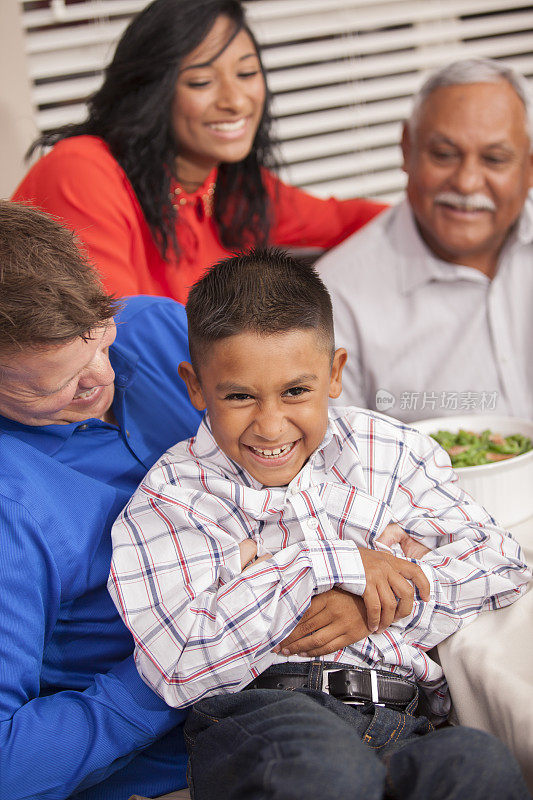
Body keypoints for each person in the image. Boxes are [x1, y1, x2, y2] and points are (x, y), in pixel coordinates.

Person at [109, 248, 531, 800]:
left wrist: (366, 604)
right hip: (261, 715)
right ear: (196, 386)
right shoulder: (175, 498)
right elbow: (182, 660)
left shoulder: (391, 451)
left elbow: (502, 563)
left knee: (476, 763)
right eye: (238, 396)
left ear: (334, 373)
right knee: (331, 775)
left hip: (404, 709)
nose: (269, 424)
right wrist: (338, 563)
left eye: (295, 391)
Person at [0, 200, 202, 800]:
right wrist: (177, 664)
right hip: (181, 768)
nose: (99, 378)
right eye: (55, 381)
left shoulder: (161, 328)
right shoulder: (13, 508)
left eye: (99, 340)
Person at [12, 0, 385, 305]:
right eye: (202, 81)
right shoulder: (81, 171)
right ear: (152, 92)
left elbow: (344, 220)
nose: (235, 101)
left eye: (246, 74)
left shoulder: (229, 187)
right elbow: (116, 337)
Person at [316, 58, 533, 423]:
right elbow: (339, 460)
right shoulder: (336, 296)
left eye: (495, 159)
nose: (466, 183)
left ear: (530, 167)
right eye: (444, 155)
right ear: (407, 149)